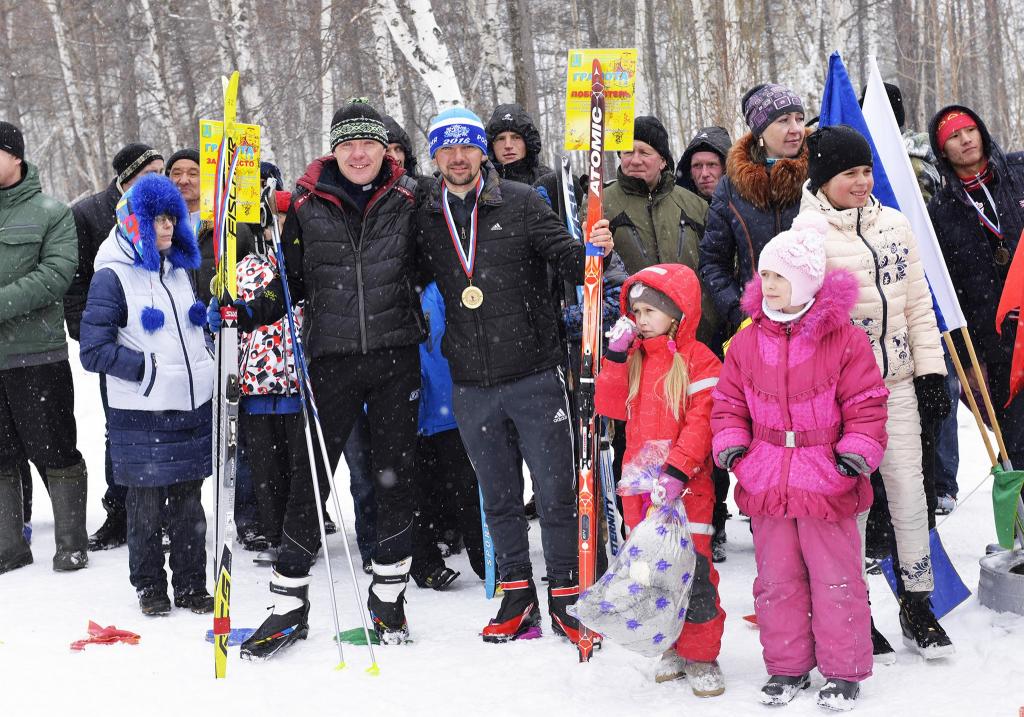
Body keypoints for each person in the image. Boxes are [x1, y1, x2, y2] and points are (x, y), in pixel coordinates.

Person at [414, 107, 612, 646]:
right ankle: (517, 593)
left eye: (467, 148)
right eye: (447, 149)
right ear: (434, 156)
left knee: (555, 491)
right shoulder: (425, 215)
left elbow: (572, 261)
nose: (458, 159)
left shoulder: (522, 202)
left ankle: (568, 595)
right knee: (497, 495)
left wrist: (596, 247)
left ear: (481, 153)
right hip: (471, 382)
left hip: (533, 372)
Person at [239, 98, 424, 646]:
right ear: (334, 150)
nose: (359, 153)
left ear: (383, 150)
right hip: (330, 361)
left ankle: (389, 598)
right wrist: (245, 310)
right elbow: (289, 284)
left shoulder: (411, 198)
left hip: (396, 357)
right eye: (348, 144)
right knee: (309, 478)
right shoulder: (304, 205)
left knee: (395, 474)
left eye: (368, 143)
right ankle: (287, 602)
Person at [711, 214, 888, 709]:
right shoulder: (747, 339)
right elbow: (728, 402)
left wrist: (854, 455)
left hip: (826, 477)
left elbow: (867, 404)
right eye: (763, 276)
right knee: (776, 580)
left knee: (837, 580)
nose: (768, 286)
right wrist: (735, 447)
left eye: (779, 277)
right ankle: (787, 668)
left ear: (807, 281)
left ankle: (844, 671)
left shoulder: (845, 340)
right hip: (768, 477)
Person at [800, 124, 953, 659]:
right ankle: (853, 612)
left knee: (912, 495)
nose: (862, 182)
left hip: (901, 383)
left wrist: (932, 373)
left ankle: (918, 604)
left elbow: (917, 304)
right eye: (849, 174)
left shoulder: (894, 223)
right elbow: (800, 327)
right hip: (845, 399)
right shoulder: (805, 237)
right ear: (823, 178)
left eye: (866, 171)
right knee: (853, 506)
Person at [78, 174, 213, 615]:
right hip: (141, 412)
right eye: (156, 219)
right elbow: (94, 350)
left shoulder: (179, 270)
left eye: (172, 218)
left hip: (189, 406)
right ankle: (150, 586)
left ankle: (192, 584)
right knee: (145, 508)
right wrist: (150, 371)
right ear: (135, 222)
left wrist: (205, 354)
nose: (167, 227)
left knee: (189, 507)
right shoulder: (111, 276)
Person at [594, 263, 726, 697]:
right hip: (640, 489)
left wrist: (677, 470)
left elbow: (701, 425)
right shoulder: (633, 358)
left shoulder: (699, 360)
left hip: (687, 489)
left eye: (651, 310)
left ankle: (702, 655)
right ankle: (670, 644)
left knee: (696, 574)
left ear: (678, 313)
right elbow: (610, 409)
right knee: (652, 573)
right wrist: (613, 358)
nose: (641, 319)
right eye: (636, 310)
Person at [602, 115, 729, 561]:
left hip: (696, 336)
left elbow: (716, 258)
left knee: (699, 427)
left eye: (645, 152)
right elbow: (587, 264)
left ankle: (709, 520)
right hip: (638, 341)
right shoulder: (602, 202)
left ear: (663, 158)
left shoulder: (691, 204)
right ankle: (640, 520)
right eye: (628, 152)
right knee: (639, 430)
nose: (635, 160)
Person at [65, 142, 165, 553]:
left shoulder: (164, 210)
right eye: (150, 172)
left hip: (162, 340)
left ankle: (164, 515)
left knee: (166, 428)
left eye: (163, 170)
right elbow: (75, 285)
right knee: (120, 430)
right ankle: (120, 514)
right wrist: (88, 333)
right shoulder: (89, 214)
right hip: (116, 341)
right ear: (126, 178)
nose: (159, 180)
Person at [0, 120, 89, 575]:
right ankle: (9, 547)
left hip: (36, 355)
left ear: (15, 156)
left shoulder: (51, 212)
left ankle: (71, 542)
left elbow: (54, 275)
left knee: (54, 447)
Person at [929, 106, 1024, 476]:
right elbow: (947, 291)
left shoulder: (1018, 175)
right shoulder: (940, 210)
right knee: (1014, 442)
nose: (966, 139)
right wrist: (968, 361)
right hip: (995, 345)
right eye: (954, 136)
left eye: (970, 130)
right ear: (943, 150)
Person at [699, 83, 808, 334]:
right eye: (783, 120)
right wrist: (740, 312)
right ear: (759, 131)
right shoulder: (731, 186)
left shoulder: (819, 173)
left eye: (799, 119)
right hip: (757, 324)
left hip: (814, 320)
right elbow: (713, 262)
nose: (796, 129)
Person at [412, 282, 485, 588]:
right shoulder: (386, 288)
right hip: (407, 409)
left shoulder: (437, 288)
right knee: (415, 493)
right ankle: (425, 563)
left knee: (465, 486)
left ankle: (486, 561)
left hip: (448, 403)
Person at [485, 103, 552, 185]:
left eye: (516, 138)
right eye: (501, 139)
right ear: (492, 145)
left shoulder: (547, 181)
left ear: (527, 142)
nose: (508, 145)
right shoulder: (479, 182)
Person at [676, 126, 732, 202]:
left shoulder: (747, 207)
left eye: (712, 164)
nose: (704, 174)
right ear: (690, 172)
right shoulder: (678, 209)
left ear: (725, 169)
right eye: (697, 165)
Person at [165, 149, 201, 228]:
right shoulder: (158, 222)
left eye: (192, 174)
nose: (183, 181)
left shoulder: (221, 222)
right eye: (177, 174)